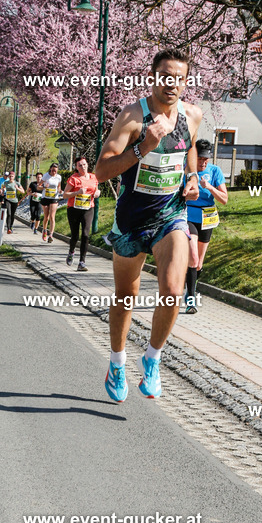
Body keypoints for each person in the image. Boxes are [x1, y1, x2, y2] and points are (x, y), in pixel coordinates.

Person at [94, 48, 202, 401]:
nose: (172, 84)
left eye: (179, 78)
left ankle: (153, 358)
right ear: (153, 77)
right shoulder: (132, 118)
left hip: (171, 216)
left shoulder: (192, 116)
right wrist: (143, 148)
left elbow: (189, 151)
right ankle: (117, 362)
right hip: (131, 220)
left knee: (173, 290)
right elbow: (102, 170)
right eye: (165, 76)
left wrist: (192, 177)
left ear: (186, 82)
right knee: (126, 296)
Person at [185, 139, 228, 313]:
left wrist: (209, 187)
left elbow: (224, 199)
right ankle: (191, 300)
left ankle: (191, 284)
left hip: (208, 217)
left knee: (199, 264)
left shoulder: (215, 171)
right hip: (189, 215)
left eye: (205, 159)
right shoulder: (187, 170)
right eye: (200, 159)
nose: (203, 162)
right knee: (193, 257)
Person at [62, 156, 99, 272]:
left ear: (87, 164)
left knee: (85, 234)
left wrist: (97, 193)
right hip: (74, 209)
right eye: (80, 165)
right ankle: (71, 251)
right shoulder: (74, 179)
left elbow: (96, 190)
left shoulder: (93, 177)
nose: (83, 167)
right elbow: (65, 195)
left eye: (84, 164)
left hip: (88, 208)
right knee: (75, 235)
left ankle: (82, 262)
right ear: (76, 167)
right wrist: (77, 192)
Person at [40, 163, 62, 243]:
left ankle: (51, 235)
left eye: (55, 171)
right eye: (52, 170)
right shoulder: (46, 176)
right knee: (46, 217)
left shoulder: (59, 177)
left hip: (54, 198)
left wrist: (59, 191)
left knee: (52, 217)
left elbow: (59, 186)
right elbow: (38, 186)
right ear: (50, 169)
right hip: (45, 198)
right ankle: (44, 230)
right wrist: (44, 186)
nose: (54, 172)